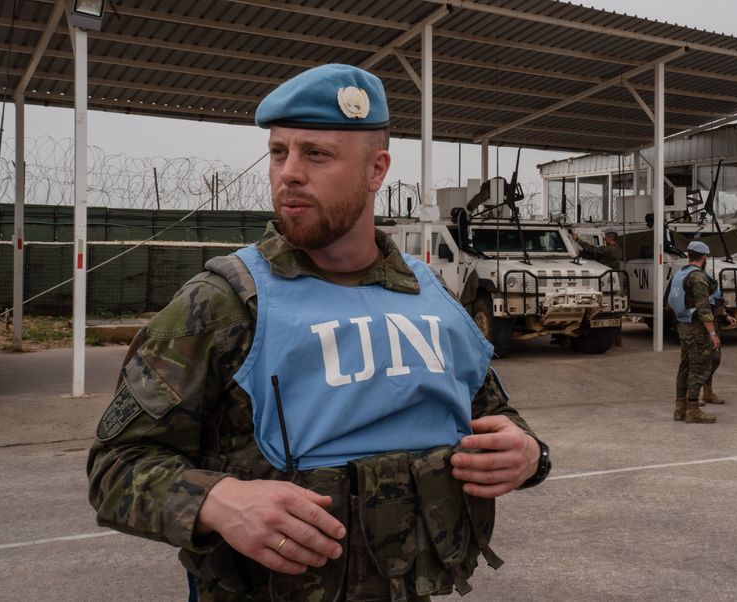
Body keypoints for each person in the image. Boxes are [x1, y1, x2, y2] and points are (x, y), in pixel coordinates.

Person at [87, 64, 551, 602]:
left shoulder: (431, 298)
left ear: (376, 170)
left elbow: (493, 416)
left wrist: (530, 456)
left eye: (317, 154)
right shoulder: (223, 304)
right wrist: (218, 499)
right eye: (279, 152)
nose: (289, 173)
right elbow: (115, 466)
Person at [666, 241, 722, 424]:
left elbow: (669, 300)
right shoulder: (698, 278)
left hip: (682, 325)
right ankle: (693, 410)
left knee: (685, 367)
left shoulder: (679, 274)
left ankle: (680, 409)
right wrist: (713, 334)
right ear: (704, 257)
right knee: (698, 368)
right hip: (696, 327)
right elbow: (704, 309)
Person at [701, 282, 737, 405]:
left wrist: (726, 316)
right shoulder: (696, 281)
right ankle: (691, 395)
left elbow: (718, 303)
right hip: (701, 326)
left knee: (714, 359)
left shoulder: (711, 281)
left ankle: (707, 393)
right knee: (699, 361)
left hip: (714, 323)